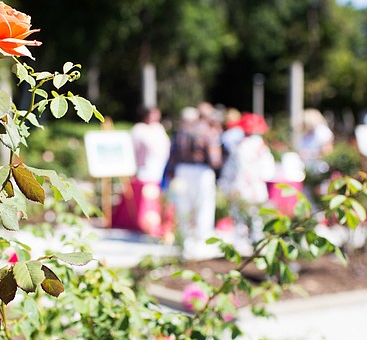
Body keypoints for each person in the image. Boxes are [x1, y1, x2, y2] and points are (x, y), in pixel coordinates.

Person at [167, 103, 223, 253]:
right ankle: (202, 241)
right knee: (204, 206)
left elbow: (172, 155)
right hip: (201, 171)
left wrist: (171, 173)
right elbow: (214, 158)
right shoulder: (208, 133)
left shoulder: (183, 132)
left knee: (183, 206)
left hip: (182, 171)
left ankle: (183, 240)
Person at [111, 106, 172, 237]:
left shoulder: (159, 129)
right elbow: (133, 150)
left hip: (159, 167)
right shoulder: (139, 130)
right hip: (144, 168)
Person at [217, 112, 275, 241]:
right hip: (254, 187)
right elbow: (268, 172)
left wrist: (226, 183)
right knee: (255, 218)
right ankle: (256, 241)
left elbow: (230, 169)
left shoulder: (240, 146)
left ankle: (243, 242)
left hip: (242, 186)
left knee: (241, 217)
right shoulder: (261, 147)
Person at [298, 108, 334, 174]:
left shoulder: (322, 132)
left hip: (321, 169)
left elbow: (327, 152)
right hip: (307, 170)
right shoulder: (305, 135)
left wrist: (310, 155)